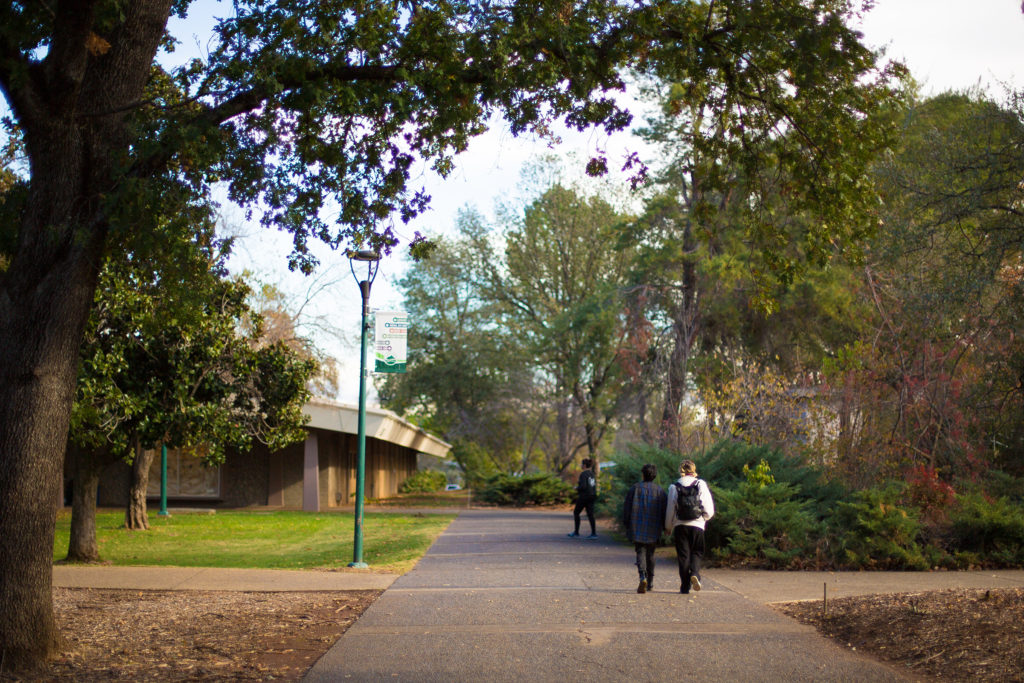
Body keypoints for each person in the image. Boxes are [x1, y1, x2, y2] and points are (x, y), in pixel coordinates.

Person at [665, 459, 715, 594]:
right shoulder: (700, 484)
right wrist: (704, 518)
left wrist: (668, 527)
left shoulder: (674, 487)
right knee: (697, 552)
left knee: (683, 556)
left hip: (680, 525)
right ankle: (695, 573)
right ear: (694, 470)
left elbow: (670, 509)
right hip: (697, 524)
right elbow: (709, 508)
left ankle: (684, 586)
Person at [623, 463, 668, 593]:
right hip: (654, 527)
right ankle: (650, 582)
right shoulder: (660, 491)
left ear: (643, 474)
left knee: (640, 551)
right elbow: (665, 511)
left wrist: (627, 524)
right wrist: (665, 526)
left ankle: (642, 576)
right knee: (651, 553)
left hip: (637, 525)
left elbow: (627, 508)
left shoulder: (634, 488)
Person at [567, 458, 598, 539]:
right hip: (592, 496)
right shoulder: (592, 474)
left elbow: (583, 486)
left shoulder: (583, 474)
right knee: (591, 515)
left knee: (576, 512)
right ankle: (594, 534)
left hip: (584, 496)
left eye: (581, 464)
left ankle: (576, 532)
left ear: (584, 465)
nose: (580, 465)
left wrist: (577, 488)